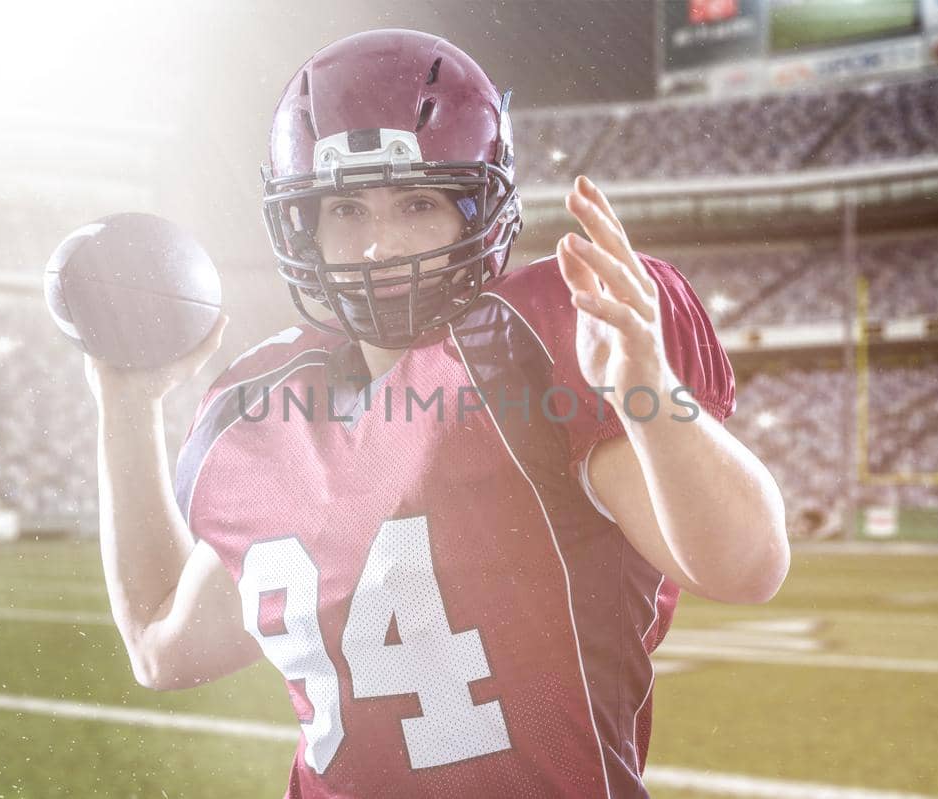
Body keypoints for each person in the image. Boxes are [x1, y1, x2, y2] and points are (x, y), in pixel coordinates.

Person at [85, 28, 788, 798]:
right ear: (304, 226)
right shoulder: (258, 411)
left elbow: (746, 564)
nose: (379, 247)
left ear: (477, 211)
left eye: (417, 202)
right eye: (346, 208)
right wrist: (126, 407)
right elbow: (162, 648)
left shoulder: (533, 346)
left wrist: (653, 396)